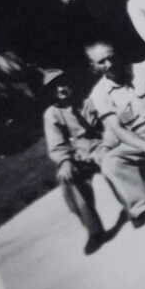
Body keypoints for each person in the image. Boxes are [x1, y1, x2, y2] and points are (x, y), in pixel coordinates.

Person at [84, 42, 145, 244]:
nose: (109, 64)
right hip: (137, 138)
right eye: (102, 62)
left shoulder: (144, 70)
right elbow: (117, 129)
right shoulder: (99, 93)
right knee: (111, 162)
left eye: (111, 57)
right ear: (93, 67)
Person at [41, 69, 112, 255]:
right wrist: (65, 162)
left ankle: (140, 206)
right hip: (77, 155)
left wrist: (107, 142)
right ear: (50, 93)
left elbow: (107, 125)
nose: (61, 89)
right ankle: (94, 231)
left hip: (99, 145)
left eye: (63, 84)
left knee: (113, 163)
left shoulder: (88, 101)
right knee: (67, 179)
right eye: (54, 88)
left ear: (70, 83)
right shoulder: (52, 114)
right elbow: (56, 144)